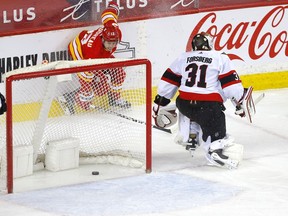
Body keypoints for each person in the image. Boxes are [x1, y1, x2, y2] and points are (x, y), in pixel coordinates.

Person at [153, 32, 249, 169]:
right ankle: (215, 150)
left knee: (191, 105)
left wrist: (159, 103)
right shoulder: (220, 57)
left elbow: (169, 81)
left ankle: (191, 135)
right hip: (208, 108)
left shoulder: (183, 57)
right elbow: (231, 86)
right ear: (210, 44)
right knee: (215, 118)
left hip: (184, 104)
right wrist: (239, 102)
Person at [67, 1, 131, 111]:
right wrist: (87, 93)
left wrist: (113, 3)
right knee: (100, 88)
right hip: (79, 50)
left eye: (114, 43)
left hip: (99, 54)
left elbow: (109, 14)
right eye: (109, 43)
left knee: (119, 72)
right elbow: (86, 74)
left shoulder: (114, 31)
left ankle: (114, 99)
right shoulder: (93, 51)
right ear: (102, 39)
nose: (111, 46)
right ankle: (73, 97)